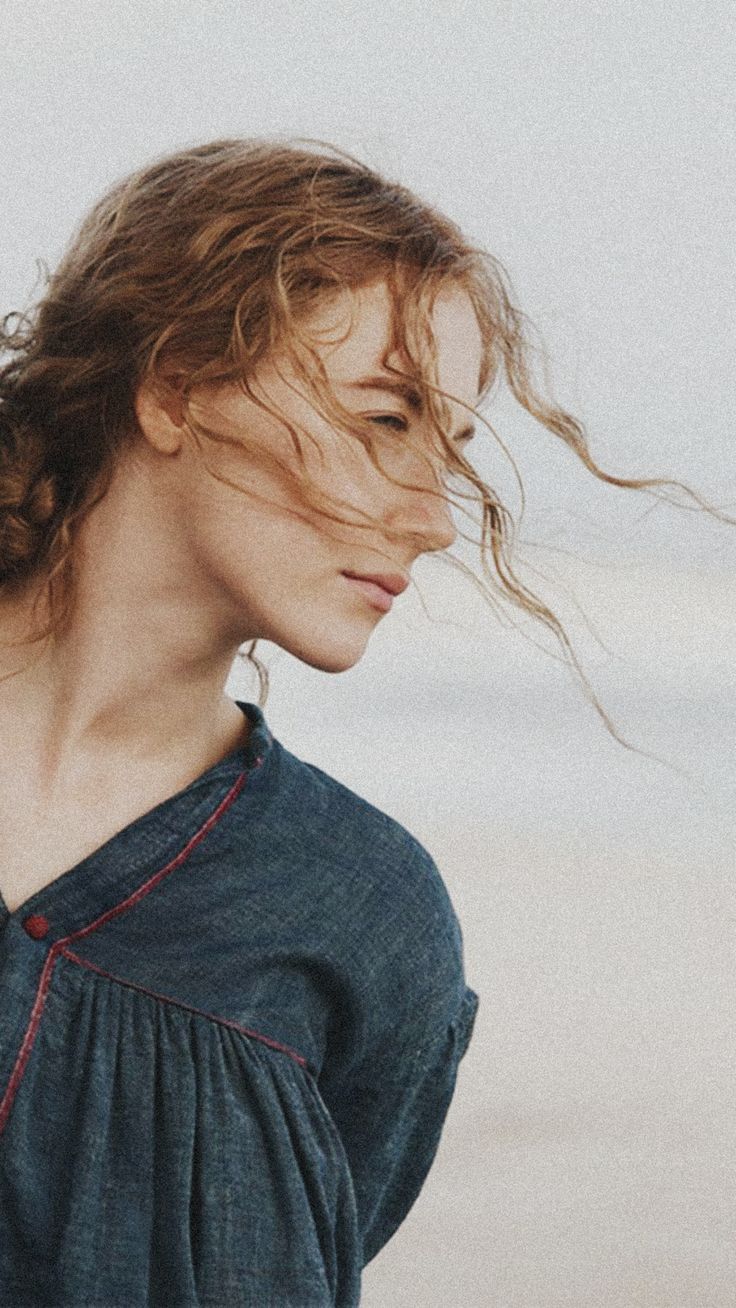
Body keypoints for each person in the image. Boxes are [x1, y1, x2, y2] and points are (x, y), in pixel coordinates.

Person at [0, 138, 719, 1307]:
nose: (434, 520)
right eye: (387, 419)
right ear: (175, 387)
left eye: (449, 450)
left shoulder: (365, 918)